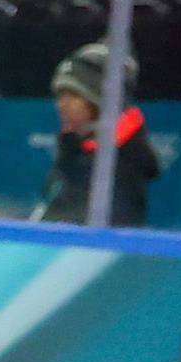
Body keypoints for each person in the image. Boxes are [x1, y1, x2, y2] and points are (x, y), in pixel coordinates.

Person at [35, 42, 155, 227]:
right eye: (60, 95)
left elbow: (90, 233)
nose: (61, 105)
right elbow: (51, 216)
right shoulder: (73, 151)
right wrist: (4, 219)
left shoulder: (121, 163)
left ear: (98, 101)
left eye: (73, 95)